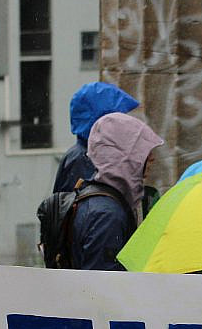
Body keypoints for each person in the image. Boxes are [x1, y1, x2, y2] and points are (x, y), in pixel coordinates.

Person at [69, 112, 163, 271]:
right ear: (124, 157)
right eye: (142, 151)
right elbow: (103, 285)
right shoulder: (108, 214)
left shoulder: (98, 200)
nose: (152, 158)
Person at [52, 82, 140, 194]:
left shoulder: (86, 155)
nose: (125, 124)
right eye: (119, 118)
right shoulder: (84, 160)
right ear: (103, 121)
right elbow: (92, 206)